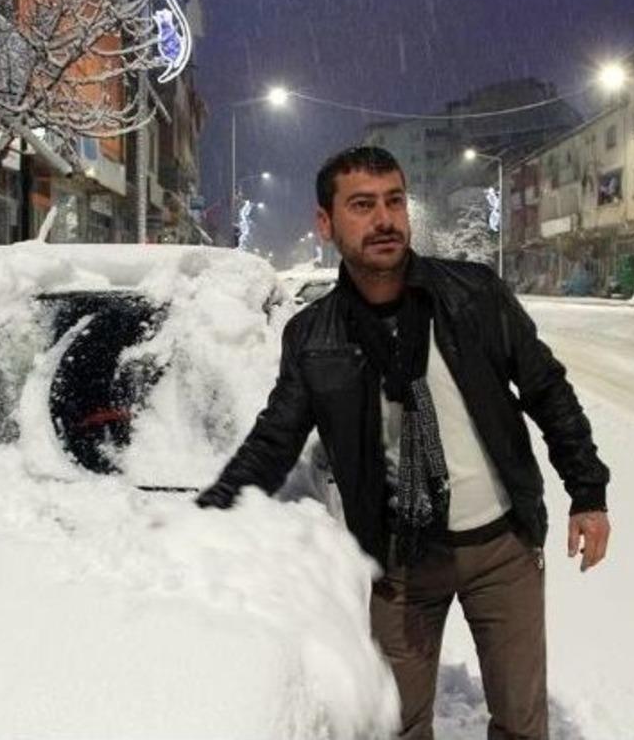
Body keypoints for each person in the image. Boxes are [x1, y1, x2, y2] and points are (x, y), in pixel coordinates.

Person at [197, 146, 610, 740]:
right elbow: (274, 441)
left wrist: (587, 490)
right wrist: (205, 518)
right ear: (326, 222)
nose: (384, 219)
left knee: (522, 724)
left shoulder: (473, 296)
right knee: (398, 725)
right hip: (400, 562)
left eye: (393, 201)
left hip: (503, 549)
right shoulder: (314, 337)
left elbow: (547, 389)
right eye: (362, 205)